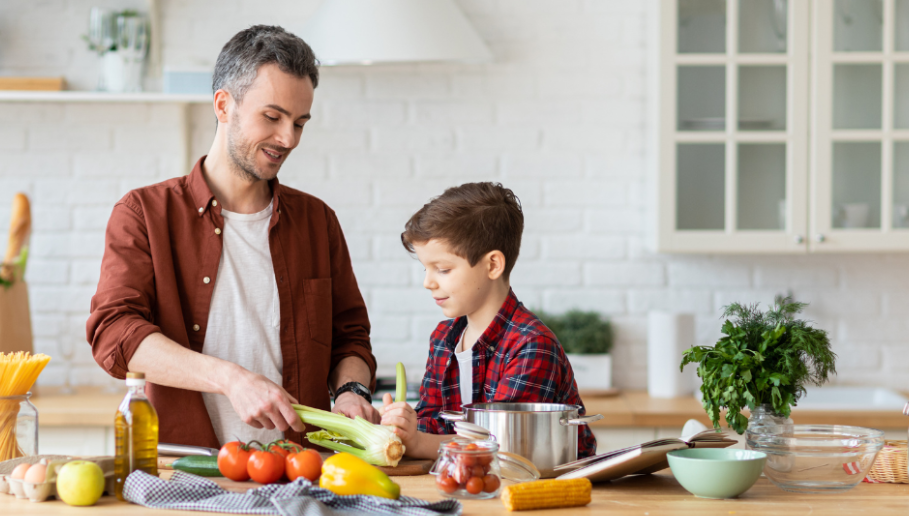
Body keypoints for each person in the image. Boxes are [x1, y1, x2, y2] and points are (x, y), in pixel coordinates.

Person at [86, 25, 378, 448]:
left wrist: (353, 391)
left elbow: (350, 337)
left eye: (300, 123)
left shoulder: (318, 222)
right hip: (184, 470)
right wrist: (231, 379)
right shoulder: (144, 214)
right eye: (273, 117)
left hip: (301, 472)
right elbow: (114, 334)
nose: (289, 139)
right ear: (224, 105)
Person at [379, 182, 596, 459]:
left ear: (493, 265)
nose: (427, 282)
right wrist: (403, 424)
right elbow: (434, 423)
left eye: (443, 269)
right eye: (425, 268)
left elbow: (503, 446)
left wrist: (420, 443)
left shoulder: (532, 346)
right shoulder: (444, 338)